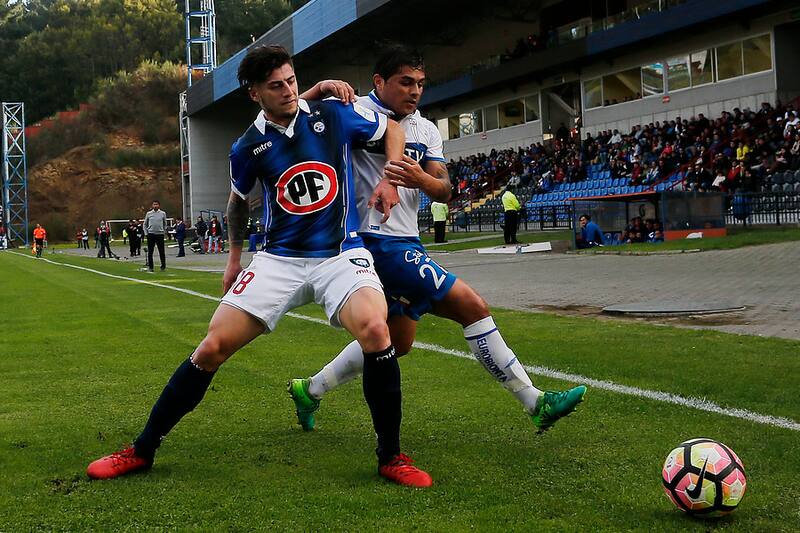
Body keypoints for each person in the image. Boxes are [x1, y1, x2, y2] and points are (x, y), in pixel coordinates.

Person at [85, 44, 427, 488]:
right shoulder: (247, 146)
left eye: (292, 80)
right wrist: (233, 258)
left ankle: (391, 456)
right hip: (277, 259)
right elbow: (236, 203)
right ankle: (141, 450)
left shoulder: (333, 115)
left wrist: (390, 177)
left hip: (340, 254)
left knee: (377, 331)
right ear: (254, 94)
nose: (288, 91)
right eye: (276, 85)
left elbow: (392, 129)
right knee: (211, 347)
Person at [288, 47, 585, 452]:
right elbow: (289, 117)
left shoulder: (426, 129)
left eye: (420, 84)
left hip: (407, 239)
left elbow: (444, 188)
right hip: (372, 241)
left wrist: (420, 179)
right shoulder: (351, 111)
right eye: (405, 82)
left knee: (399, 341)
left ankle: (310, 390)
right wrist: (318, 88)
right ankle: (535, 402)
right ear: (379, 81)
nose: (415, 91)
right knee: (471, 306)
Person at [144, 200, 167, 272]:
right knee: (150, 251)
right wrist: (146, 233)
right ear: (152, 205)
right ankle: (151, 267)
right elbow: (145, 224)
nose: (155, 206)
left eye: (156, 204)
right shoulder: (149, 214)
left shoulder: (163, 213)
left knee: (161, 251)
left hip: (160, 234)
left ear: (159, 205)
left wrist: (163, 231)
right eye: (154, 204)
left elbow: (165, 224)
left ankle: (163, 266)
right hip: (151, 234)